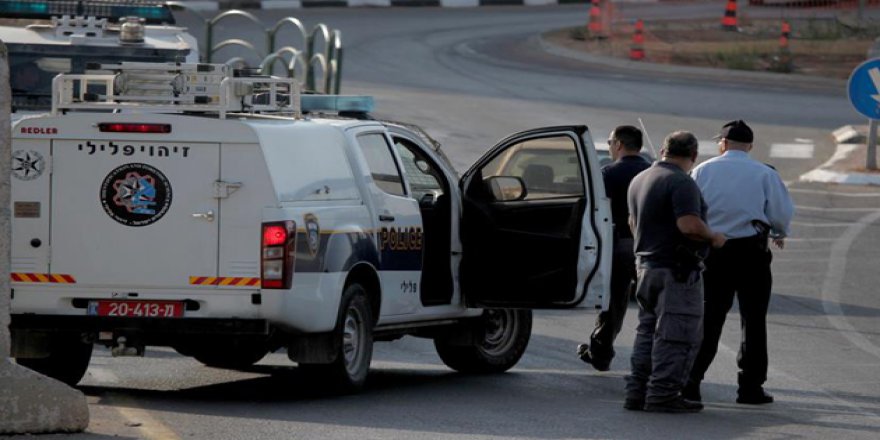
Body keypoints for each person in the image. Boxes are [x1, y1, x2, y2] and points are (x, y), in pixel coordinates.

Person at [683, 120, 794, 405]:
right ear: (750, 146)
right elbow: (781, 213)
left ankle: (692, 381)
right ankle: (750, 387)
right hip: (752, 253)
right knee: (754, 321)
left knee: (709, 318)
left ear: (722, 144)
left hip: (715, 251)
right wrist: (779, 232)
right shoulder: (765, 173)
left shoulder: (702, 170)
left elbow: (692, 209)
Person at [624, 131, 726, 413]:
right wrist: (714, 237)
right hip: (676, 271)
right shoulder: (681, 182)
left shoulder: (640, 179)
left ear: (662, 151)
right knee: (676, 335)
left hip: (646, 267)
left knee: (647, 333)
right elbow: (689, 225)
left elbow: (633, 223)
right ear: (693, 155)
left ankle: (637, 391)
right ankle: (663, 394)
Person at [577, 125, 651, 371]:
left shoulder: (608, 173)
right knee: (651, 304)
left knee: (613, 301)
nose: (610, 146)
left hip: (618, 245)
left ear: (619, 144)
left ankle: (601, 352)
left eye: (610, 142)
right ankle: (650, 355)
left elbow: (597, 211)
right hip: (649, 246)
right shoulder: (652, 172)